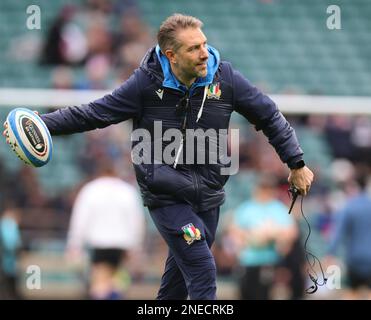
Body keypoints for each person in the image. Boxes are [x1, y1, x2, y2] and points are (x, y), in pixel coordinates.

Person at [3, 14, 313, 300]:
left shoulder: (225, 76)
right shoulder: (145, 84)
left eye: (204, 44)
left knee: (173, 293)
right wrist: (42, 123)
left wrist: (296, 162)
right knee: (203, 271)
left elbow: (269, 114)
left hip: (209, 197)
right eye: (194, 49)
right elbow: (93, 114)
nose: (205, 53)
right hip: (167, 197)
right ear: (172, 56)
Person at [66, 161, 145, 299]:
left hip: (99, 242)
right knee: (117, 282)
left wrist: (74, 244)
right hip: (123, 244)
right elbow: (137, 220)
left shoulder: (90, 189)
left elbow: (80, 219)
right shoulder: (127, 191)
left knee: (100, 284)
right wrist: (137, 248)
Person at [228, 174, 298, 299]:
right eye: (262, 188)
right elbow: (234, 230)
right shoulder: (246, 208)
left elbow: (291, 233)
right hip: (247, 261)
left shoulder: (279, 209)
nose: (264, 191)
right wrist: (251, 236)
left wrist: (271, 234)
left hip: (269, 262)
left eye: (267, 188)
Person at [326, 175, 371, 299]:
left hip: (354, 258)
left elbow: (338, 232)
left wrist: (330, 253)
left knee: (351, 292)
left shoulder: (349, 207)